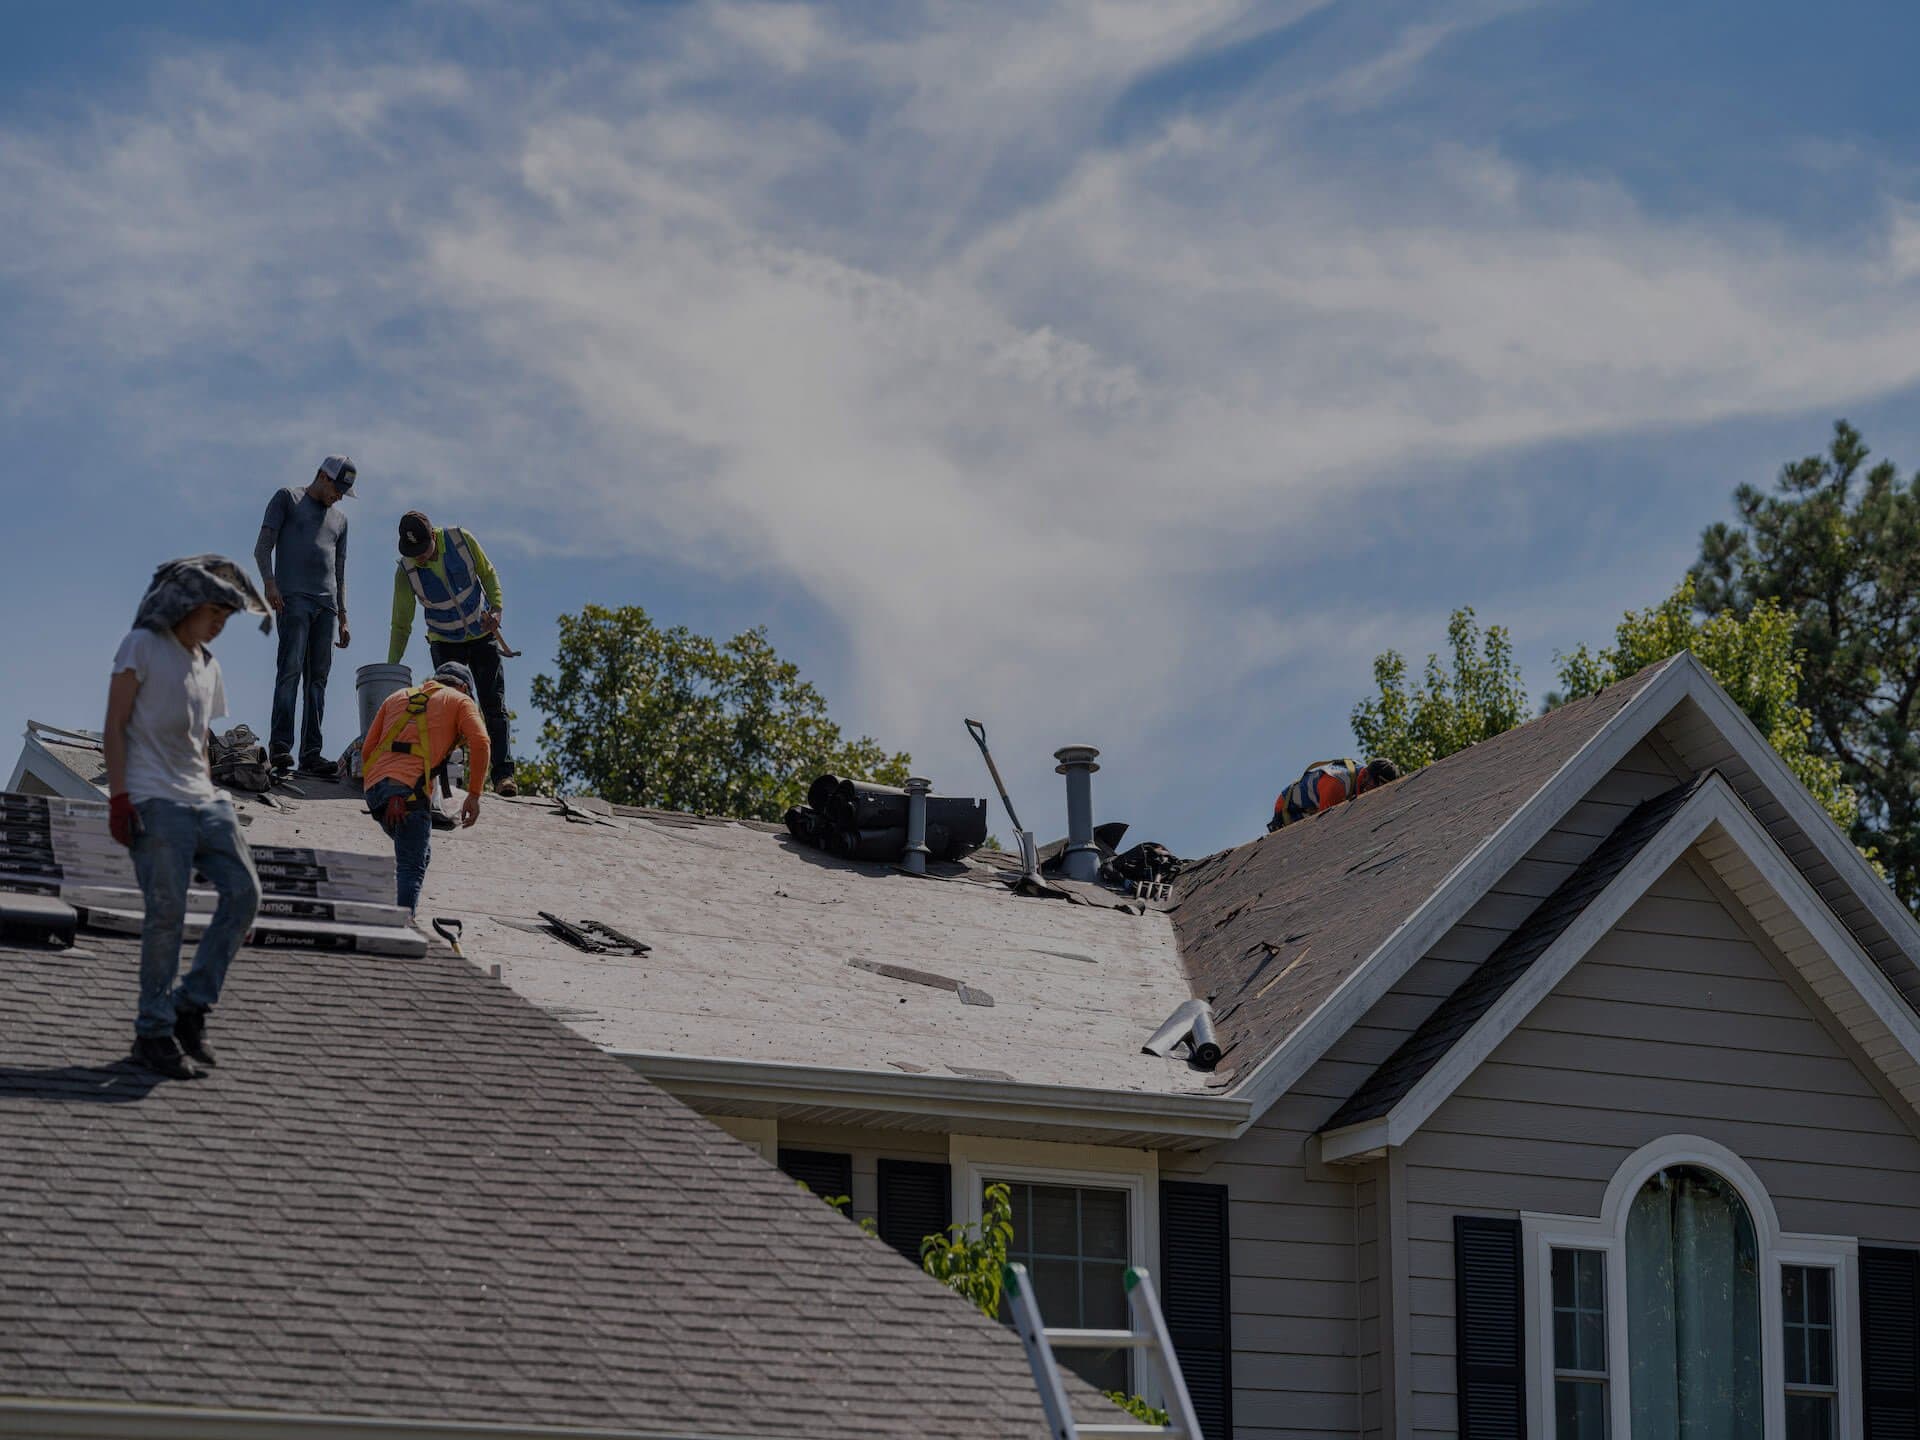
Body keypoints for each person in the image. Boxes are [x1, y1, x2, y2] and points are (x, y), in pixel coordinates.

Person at [104, 556, 269, 1080]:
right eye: (214, 609)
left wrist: (212, 804)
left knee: (245, 894)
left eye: (229, 612)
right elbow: (114, 726)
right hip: (153, 798)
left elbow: (201, 744)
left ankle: (190, 1006)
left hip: (202, 799)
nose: (222, 620)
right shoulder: (143, 646)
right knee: (167, 912)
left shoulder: (210, 666)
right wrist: (120, 798)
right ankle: (152, 1032)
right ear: (185, 605)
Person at [388, 510, 517, 797]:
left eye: (422, 549)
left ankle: (503, 776)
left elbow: (487, 573)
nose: (418, 557)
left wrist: (496, 608)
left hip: (481, 634)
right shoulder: (405, 571)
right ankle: (447, 780)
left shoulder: (461, 541)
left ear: (432, 536)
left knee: (493, 705)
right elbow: (401, 623)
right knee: (448, 710)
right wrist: (391, 668)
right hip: (444, 642)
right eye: (412, 552)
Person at [361, 661, 490, 918]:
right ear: (463, 687)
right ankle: (400, 931)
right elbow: (481, 741)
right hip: (408, 791)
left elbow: (367, 749)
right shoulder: (460, 701)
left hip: (374, 789)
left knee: (420, 853)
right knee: (411, 866)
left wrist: (387, 789)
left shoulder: (398, 696)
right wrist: (474, 795)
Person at [255, 455, 356, 778]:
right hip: (293, 599)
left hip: (326, 607)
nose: (338, 495)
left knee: (318, 680)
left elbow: (340, 571)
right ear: (322, 476)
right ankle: (281, 747)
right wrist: (270, 583)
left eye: (343, 491)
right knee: (290, 671)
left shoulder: (340, 521)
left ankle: (311, 752)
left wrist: (343, 615)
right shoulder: (288, 498)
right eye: (337, 488)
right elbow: (262, 547)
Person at [1267, 756, 1402, 833]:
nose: (1378, 791)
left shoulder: (1360, 778)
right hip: (1290, 811)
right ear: (1366, 775)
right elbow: (1324, 828)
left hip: (1312, 808)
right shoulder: (1338, 784)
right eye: (1378, 784)